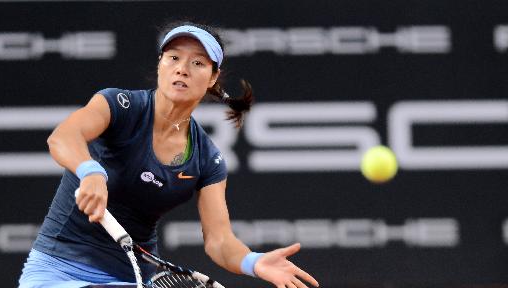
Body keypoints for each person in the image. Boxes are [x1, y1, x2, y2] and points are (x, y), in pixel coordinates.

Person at [18, 21, 320, 288]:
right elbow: (63, 136)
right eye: (174, 58)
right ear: (161, 64)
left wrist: (254, 262)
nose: (182, 68)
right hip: (58, 271)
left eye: (198, 63)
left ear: (213, 78)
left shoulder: (207, 159)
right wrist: (90, 170)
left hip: (135, 277)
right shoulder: (120, 106)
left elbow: (219, 241)